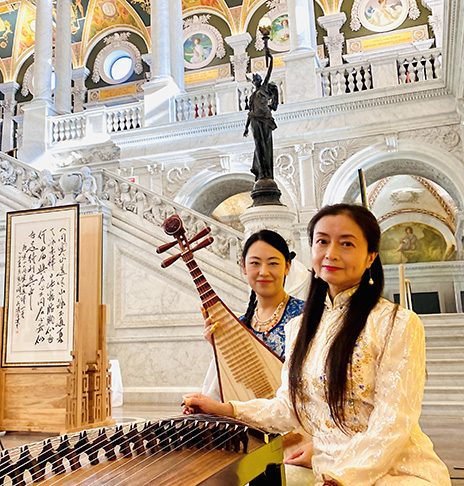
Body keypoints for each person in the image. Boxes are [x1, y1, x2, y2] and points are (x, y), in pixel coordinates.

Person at [185, 203, 451, 486]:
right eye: (322, 241)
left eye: (346, 243)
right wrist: (227, 410)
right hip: (328, 475)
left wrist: (340, 480)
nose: (331, 253)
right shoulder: (299, 328)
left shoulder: (396, 323)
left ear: (371, 256)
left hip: (396, 473)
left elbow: (393, 423)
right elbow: (288, 409)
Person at [202, 229, 305, 398]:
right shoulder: (239, 325)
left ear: (287, 266)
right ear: (244, 266)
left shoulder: (308, 316)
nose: (263, 272)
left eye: (273, 263)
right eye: (255, 263)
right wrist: (219, 347)